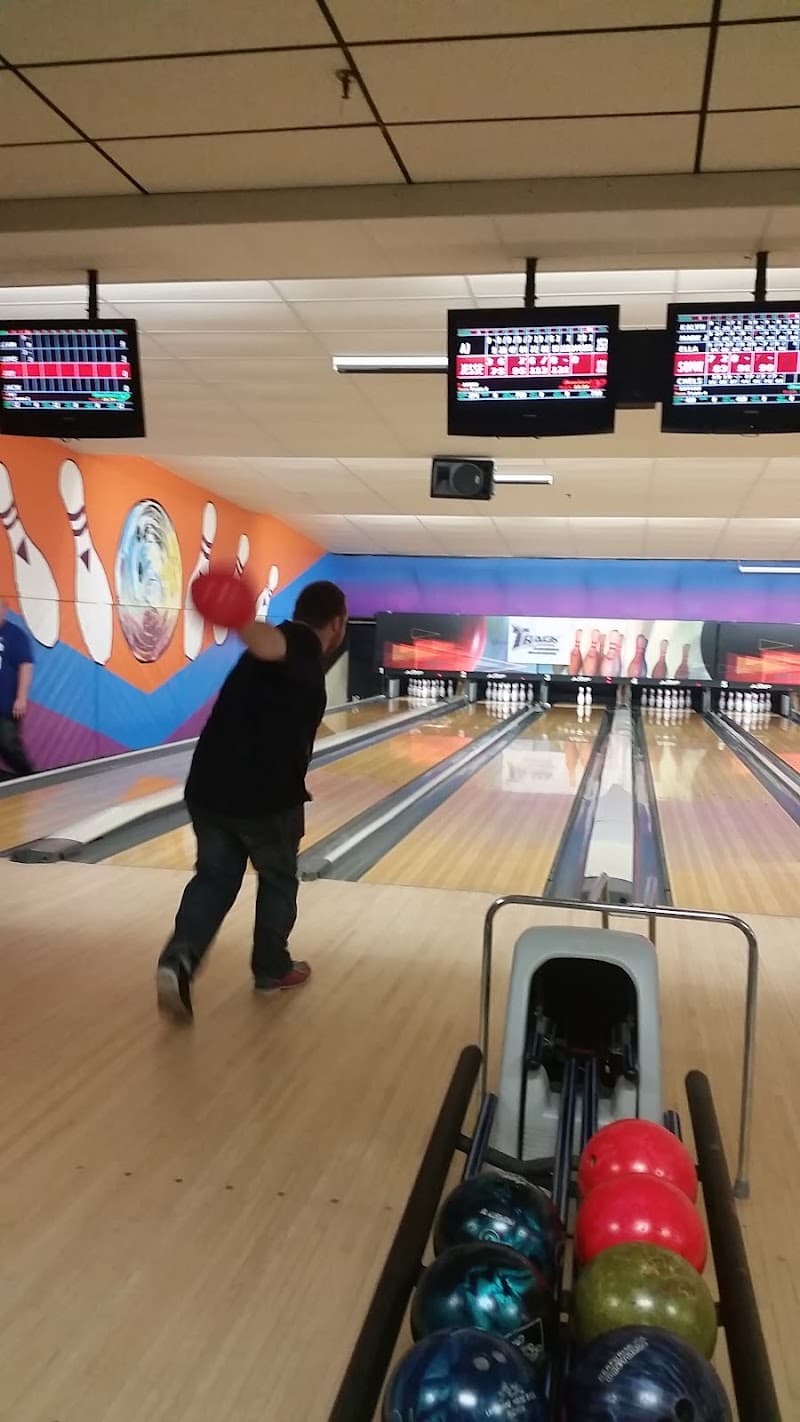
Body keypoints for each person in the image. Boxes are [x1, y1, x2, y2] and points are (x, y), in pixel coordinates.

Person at [156, 579, 348, 1022]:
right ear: (337, 622)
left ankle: (177, 960)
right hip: (264, 797)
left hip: (208, 788)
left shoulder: (288, 655)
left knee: (215, 879)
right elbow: (271, 644)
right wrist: (239, 617)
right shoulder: (298, 641)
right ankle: (272, 970)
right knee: (278, 878)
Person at [0, 596, 34, 780]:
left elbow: (25, 666)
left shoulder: (15, 635)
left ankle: (29, 779)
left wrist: (21, 698)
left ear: (4, 610)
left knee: (8, 745)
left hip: (5, 706)